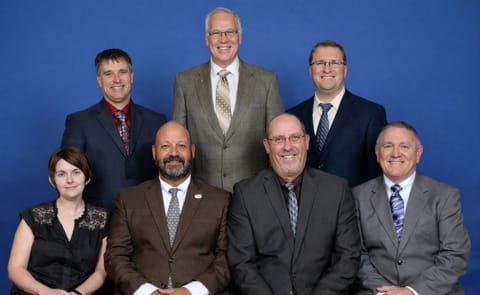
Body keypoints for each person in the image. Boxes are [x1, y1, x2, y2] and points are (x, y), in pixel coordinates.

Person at [228, 113, 360, 294]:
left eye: (294, 138)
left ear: (306, 142)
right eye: (279, 139)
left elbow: (347, 258)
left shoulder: (337, 190)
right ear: (267, 146)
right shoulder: (246, 194)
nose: (287, 146)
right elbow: (241, 263)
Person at [105, 121, 230, 295]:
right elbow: (115, 257)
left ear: (192, 151)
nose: (173, 153)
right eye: (165, 146)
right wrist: (147, 291)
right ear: (154, 152)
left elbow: (227, 258)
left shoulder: (220, 200)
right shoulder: (129, 200)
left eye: (181, 146)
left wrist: (191, 291)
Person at [172, 7, 284, 192]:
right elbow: (178, 142)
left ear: (240, 37)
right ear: (207, 39)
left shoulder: (266, 81)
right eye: (216, 33)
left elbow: (278, 141)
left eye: (230, 32)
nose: (223, 39)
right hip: (201, 194)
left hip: (255, 192)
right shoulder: (185, 81)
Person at [353, 121, 471, 295]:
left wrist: (412, 291)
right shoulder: (357, 196)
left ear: (418, 153)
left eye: (404, 146)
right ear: (377, 154)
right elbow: (356, 255)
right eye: (388, 146)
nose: (395, 153)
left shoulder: (444, 196)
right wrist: (384, 293)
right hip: (377, 292)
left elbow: (455, 255)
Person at [61, 48, 167, 211]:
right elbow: (67, 176)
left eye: (122, 72)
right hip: (96, 220)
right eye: (108, 73)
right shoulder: (79, 122)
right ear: (99, 80)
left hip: (148, 219)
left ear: (131, 77)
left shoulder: (157, 121)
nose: (117, 79)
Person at [8, 147, 108, 295]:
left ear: (87, 177)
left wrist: (77, 293)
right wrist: (45, 292)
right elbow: (16, 269)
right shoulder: (33, 216)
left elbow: (101, 272)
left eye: (76, 172)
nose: (69, 180)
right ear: (52, 180)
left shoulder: (103, 218)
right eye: (61, 174)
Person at [288, 40, 387, 187]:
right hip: (303, 206)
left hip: (352, 206)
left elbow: (376, 175)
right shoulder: (293, 116)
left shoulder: (370, 114)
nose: (327, 69)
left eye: (334, 62)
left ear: (345, 70)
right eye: (320, 63)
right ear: (310, 70)